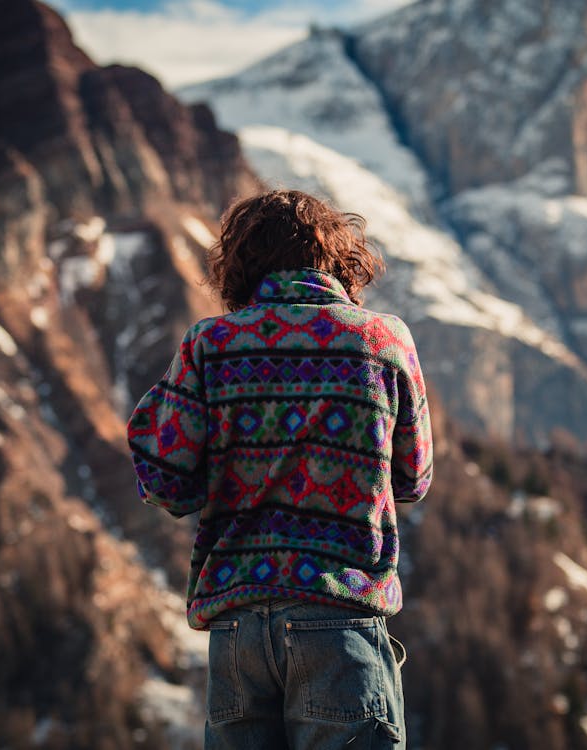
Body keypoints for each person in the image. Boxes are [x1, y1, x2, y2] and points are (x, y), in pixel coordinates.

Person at [127, 189, 433, 749]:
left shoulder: (210, 346)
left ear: (238, 267)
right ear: (342, 262)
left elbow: (165, 482)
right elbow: (414, 477)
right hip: (341, 623)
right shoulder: (384, 341)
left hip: (237, 632)